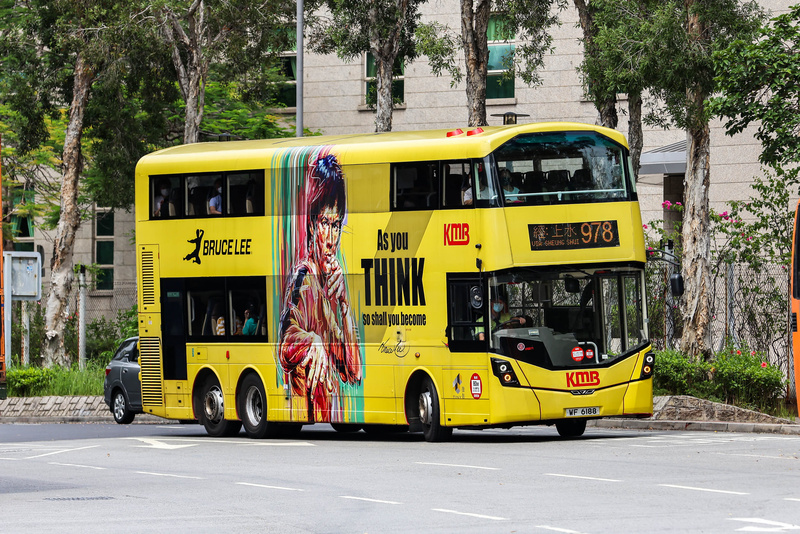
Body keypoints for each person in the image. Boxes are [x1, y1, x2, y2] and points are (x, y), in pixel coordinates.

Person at [278, 153, 362, 423]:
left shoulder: (329, 288)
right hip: (304, 410)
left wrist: (345, 306)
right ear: (313, 225)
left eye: (336, 225)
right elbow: (285, 340)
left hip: (325, 414)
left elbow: (354, 371)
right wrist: (311, 341)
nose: (331, 238)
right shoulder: (304, 276)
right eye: (326, 223)